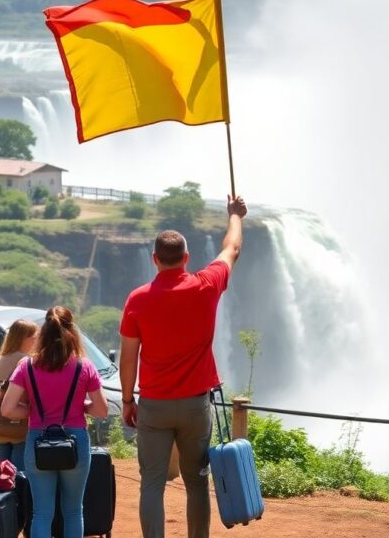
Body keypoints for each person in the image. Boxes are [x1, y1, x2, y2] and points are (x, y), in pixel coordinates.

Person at [119, 195, 247, 538]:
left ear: (155, 260)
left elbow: (129, 356)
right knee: (197, 480)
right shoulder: (206, 285)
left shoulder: (138, 299)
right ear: (186, 258)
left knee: (152, 484)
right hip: (194, 404)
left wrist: (128, 400)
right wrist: (235, 215)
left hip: (154, 405)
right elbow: (231, 248)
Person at [2, 306, 108, 538]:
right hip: (75, 441)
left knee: (41, 513)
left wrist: (33, 410)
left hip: (38, 440)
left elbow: (7, 408)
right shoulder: (84, 366)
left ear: (43, 333)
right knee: (73, 511)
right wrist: (80, 407)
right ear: (72, 332)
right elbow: (101, 410)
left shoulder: (27, 366)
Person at [0, 319, 39, 471]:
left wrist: (2, 391)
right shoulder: (31, 362)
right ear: (24, 338)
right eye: (34, 337)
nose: (37, 340)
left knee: (0, 476)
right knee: (19, 476)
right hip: (23, 429)